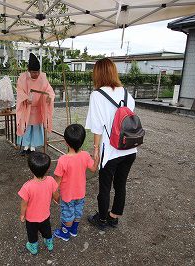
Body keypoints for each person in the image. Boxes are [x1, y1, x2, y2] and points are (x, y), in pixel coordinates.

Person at [85, 58, 137, 230]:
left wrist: (95, 150)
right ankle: (114, 217)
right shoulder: (127, 94)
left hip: (111, 151)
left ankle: (101, 219)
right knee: (121, 184)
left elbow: (97, 127)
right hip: (129, 148)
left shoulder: (97, 95)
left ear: (98, 73)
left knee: (105, 187)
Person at [53, 124, 99, 241]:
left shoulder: (63, 160)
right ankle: (74, 230)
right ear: (82, 141)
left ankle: (65, 233)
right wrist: (96, 157)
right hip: (81, 193)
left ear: (66, 142)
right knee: (78, 211)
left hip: (68, 195)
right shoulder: (85, 155)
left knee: (67, 214)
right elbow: (94, 169)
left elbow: (57, 180)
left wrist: (55, 194)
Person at [18, 152, 59, 255]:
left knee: (32, 234)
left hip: (31, 218)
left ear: (30, 168)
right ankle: (49, 243)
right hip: (45, 215)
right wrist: (56, 199)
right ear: (48, 168)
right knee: (47, 230)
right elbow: (56, 194)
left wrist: (22, 214)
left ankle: (33, 247)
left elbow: (24, 204)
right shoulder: (51, 180)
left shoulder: (27, 187)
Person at [16, 53, 55, 155]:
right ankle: (25, 147)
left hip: (38, 108)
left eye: (37, 72)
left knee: (36, 127)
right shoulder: (23, 78)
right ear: (29, 71)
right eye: (33, 72)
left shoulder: (42, 77)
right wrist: (25, 98)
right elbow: (19, 90)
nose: (36, 74)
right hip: (27, 107)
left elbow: (49, 90)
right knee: (26, 127)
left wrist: (49, 97)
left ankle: (33, 147)